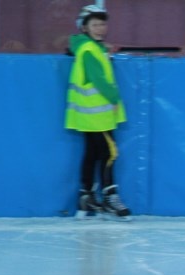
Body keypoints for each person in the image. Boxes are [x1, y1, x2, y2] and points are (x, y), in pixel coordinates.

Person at [65, 5, 132, 220]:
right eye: (95, 25)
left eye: (102, 24)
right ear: (84, 28)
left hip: (89, 115)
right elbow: (99, 79)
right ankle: (109, 195)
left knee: (93, 154)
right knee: (110, 153)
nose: (100, 28)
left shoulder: (90, 47)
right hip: (97, 115)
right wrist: (114, 98)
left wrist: (105, 51)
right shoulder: (89, 50)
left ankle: (85, 196)